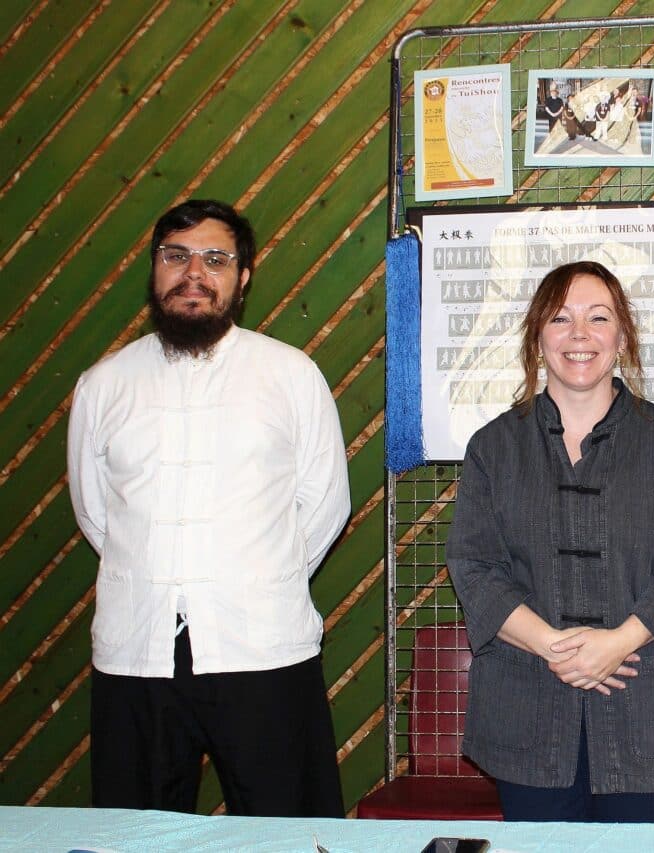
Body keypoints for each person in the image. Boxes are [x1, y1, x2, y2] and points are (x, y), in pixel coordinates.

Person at [67, 199, 351, 817]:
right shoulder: (103, 386)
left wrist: (254, 582)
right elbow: (97, 515)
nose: (193, 272)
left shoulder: (290, 376)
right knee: (135, 834)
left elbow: (325, 504)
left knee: (287, 830)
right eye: (176, 256)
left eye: (214, 259)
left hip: (263, 650)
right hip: (136, 656)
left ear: (242, 278)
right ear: (154, 269)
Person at [446, 261, 654, 823]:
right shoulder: (493, 447)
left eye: (599, 318)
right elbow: (474, 567)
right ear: (537, 337)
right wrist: (554, 646)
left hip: (646, 708)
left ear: (621, 338)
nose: (579, 335)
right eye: (560, 318)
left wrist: (618, 643)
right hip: (527, 705)